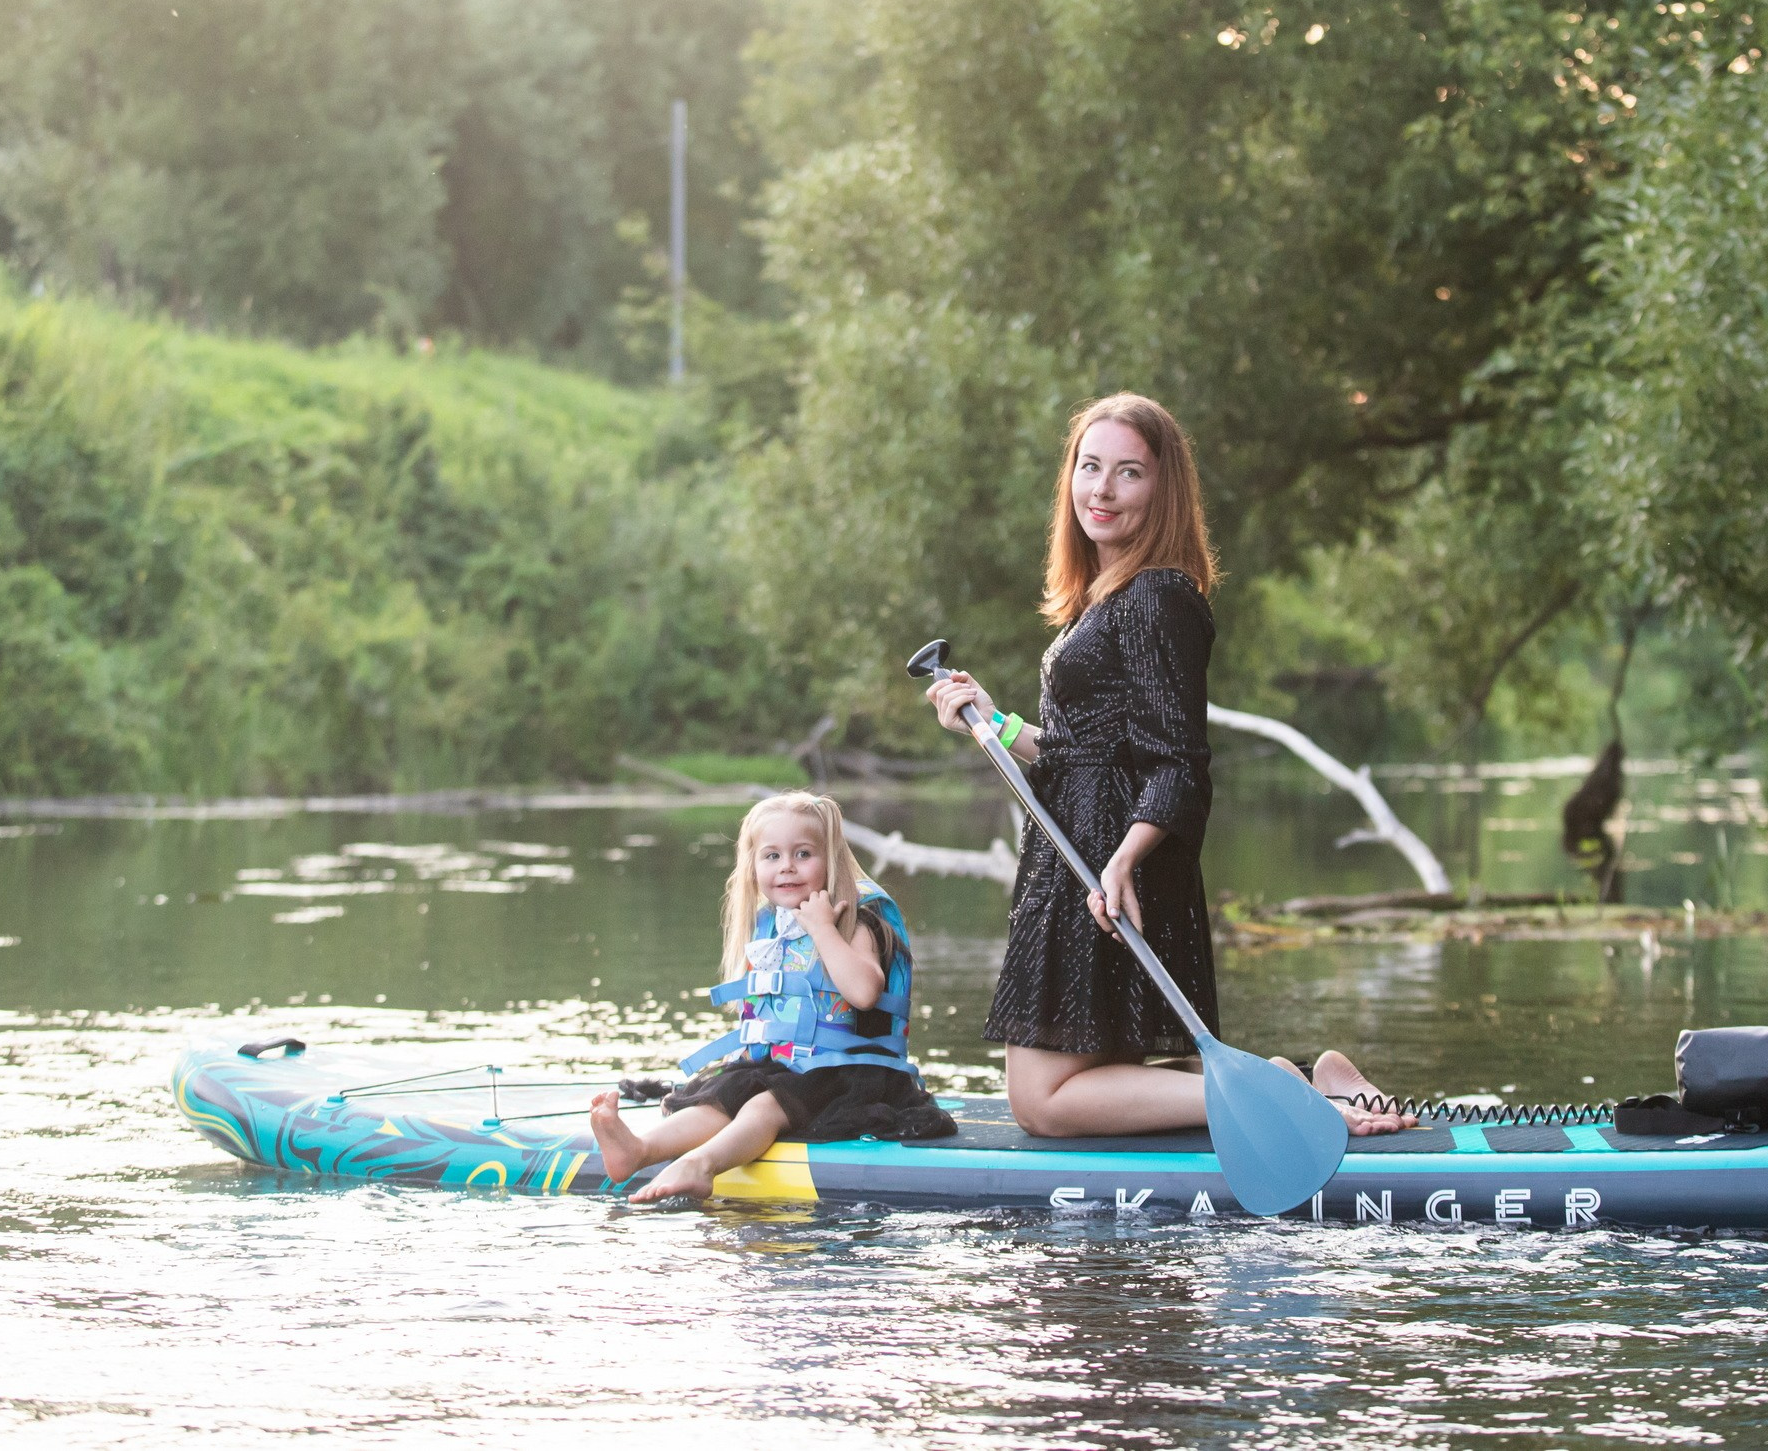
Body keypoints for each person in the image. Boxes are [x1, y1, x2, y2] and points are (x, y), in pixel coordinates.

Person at [925, 392, 1410, 1138]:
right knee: (1088, 1070)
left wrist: (1123, 862)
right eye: (1090, 467)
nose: (1102, 489)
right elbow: (1073, 752)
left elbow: (1180, 763)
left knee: (1042, 1101)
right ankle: (1301, 1078)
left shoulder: (1158, 595)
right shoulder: (1104, 596)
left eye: (1128, 473)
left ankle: (1287, 1096)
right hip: (1083, 854)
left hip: (1111, 866)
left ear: (1163, 488)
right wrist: (992, 720)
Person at [589, 791, 954, 1201]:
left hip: (850, 1075)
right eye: (772, 857)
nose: (787, 868)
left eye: (802, 854)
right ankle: (639, 1149)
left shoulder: (855, 921)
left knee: (764, 1106)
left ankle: (700, 1164)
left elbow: (865, 992)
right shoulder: (772, 927)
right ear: (753, 867)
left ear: (829, 861)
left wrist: (824, 930)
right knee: (719, 1099)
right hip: (783, 1066)